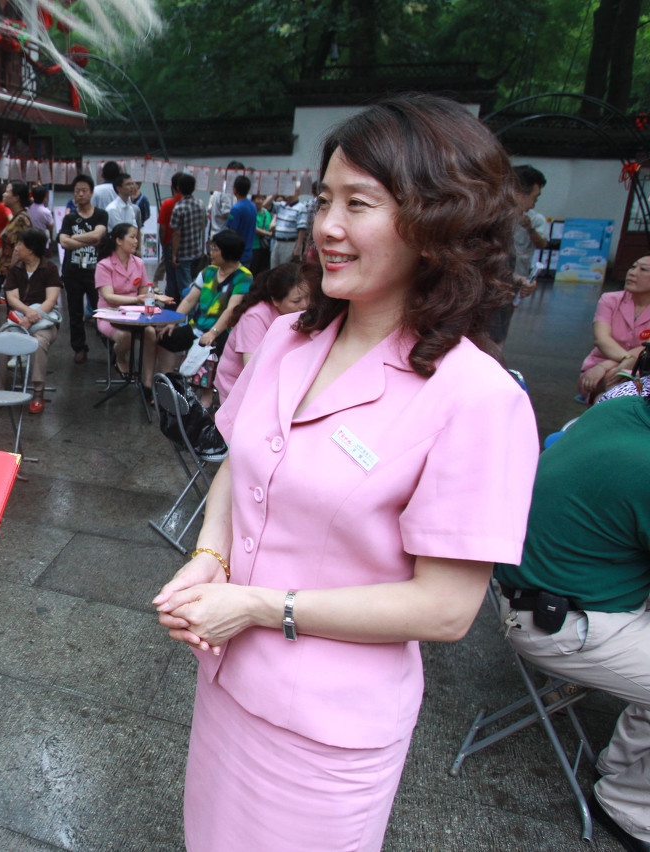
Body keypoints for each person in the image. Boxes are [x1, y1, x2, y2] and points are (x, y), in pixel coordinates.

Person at [154, 94, 538, 851]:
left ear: (438, 223)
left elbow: (445, 610)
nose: (325, 226)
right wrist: (209, 556)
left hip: (327, 732)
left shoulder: (478, 398)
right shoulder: (292, 340)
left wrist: (259, 605)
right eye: (324, 198)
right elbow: (241, 459)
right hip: (228, 684)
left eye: (358, 203)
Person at [495, 392, 650, 852]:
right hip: (559, 621)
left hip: (538, 594)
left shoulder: (621, 409)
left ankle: (622, 766)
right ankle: (630, 807)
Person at [152, 229, 251, 405]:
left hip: (223, 332)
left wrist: (213, 332)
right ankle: (170, 387)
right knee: (164, 338)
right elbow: (190, 299)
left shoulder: (243, 276)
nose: (210, 253)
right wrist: (174, 322)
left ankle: (205, 400)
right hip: (197, 326)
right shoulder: (208, 272)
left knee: (210, 350)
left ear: (227, 251)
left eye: (215, 249)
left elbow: (231, 309)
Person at [213, 262, 310, 403]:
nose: (305, 305)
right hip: (238, 389)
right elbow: (253, 368)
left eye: (308, 297)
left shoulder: (296, 314)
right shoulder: (254, 317)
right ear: (275, 300)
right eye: (296, 301)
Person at [95, 222, 173, 397]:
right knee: (125, 336)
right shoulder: (104, 265)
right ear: (119, 241)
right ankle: (120, 357)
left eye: (136, 237)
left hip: (135, 313)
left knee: (151, 333)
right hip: (109, 314)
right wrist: (136, 298)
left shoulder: (138, 263)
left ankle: (147, 383)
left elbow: (144, 293)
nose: (136, 241)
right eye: (132, 236)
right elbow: (108, 296)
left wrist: (154, 297)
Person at [1, 227, 62, 414]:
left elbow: (51, 300)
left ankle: (37, 391)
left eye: (20, 244)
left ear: (31, 248)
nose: (16, 248)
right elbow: (12, 298)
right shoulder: (15, 269)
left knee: (39, 342)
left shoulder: (49, 269)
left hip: (44, 320)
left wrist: (33, 317)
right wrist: (27, 314)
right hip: (19, 318)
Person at [488, 165, 547, 347]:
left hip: (506, 290)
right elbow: (487, 267)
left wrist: (519, 281)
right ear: (518, 193)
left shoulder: (531, 220)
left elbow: (542, 243)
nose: (532, 205)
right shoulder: (490, 221)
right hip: (488, 301)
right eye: (533, 198)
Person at [578, 255, 650, 400]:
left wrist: (609, 365)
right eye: (633, 267)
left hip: (642, 371)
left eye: (643, 269)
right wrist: (625, 360)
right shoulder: (610, 299)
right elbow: (601, 339)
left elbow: (646, 348)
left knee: (619, 386)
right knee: (614, 382)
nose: (633, 273)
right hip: (597, 367)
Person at [58, 174, 108, 364]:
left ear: (91, 192)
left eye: (84, 190)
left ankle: (110, 347)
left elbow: (98, 236)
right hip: (72, 272)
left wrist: (73, 239)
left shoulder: (101, 214)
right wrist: (76, 240)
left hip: (96, 272)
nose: (80, 194)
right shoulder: (69, 218)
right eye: (77, 191)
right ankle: (79, 347)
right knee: (75, 312)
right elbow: (63, 242)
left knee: (101, 310)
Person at [169, 173, 207, 303]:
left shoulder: (178, 208)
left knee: (185, 289)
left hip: (183, 253)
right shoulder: (200, 204)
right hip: (197, 251)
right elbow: (204, 225)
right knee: (197, 286)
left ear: (178, 188)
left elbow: (176, 233)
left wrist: (174, 255)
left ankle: (186, 319)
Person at [0, 180, 33, 283]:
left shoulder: (21, 220)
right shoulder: (16, 217)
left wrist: (11, 275)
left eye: (7, 192)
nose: (3, 194)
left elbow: (18, 251)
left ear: (16, 198)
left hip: (15, 275)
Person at [269, 189, 309, 267]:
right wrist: (275, 192)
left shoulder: (301, 207)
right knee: (273, 268)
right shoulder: (281, 205)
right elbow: (265, 205)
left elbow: (302, 229)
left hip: (290, 243)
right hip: (277, 241)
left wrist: (298, 248)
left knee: (285, 269)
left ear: (297, 192)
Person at [225, 175, 257, 267]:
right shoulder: (253, 206)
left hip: (237, 254)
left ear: (234, 189)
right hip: (249, 251)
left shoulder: (236, 208)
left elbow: (231, 232)